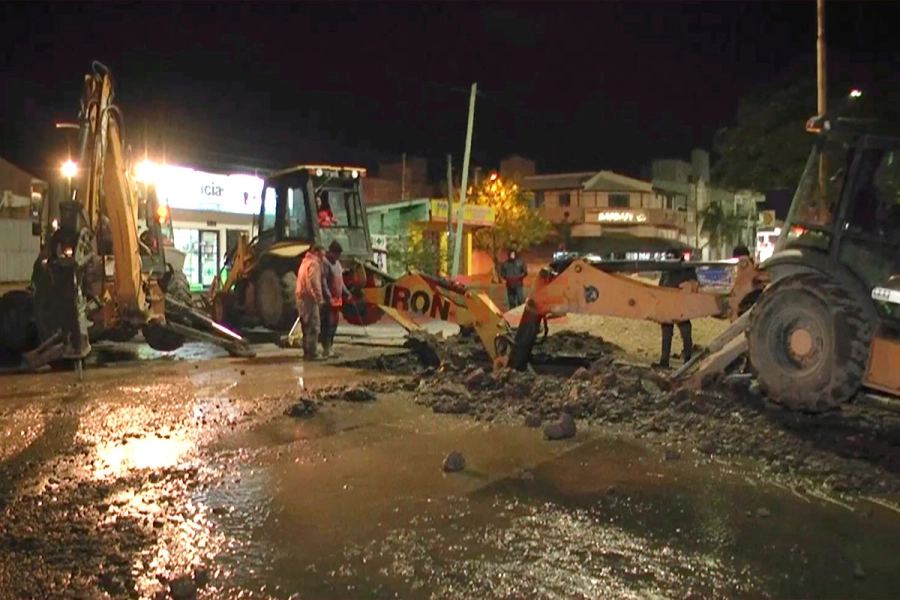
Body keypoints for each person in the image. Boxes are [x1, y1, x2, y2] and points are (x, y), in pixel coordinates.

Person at [654, 248, 698, 369]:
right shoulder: (667, 270)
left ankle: (688, 359)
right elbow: (661, 285)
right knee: (667, 333)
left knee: (685, 332)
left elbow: (694, 284)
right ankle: (664, 360)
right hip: (668, 303)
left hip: (681, 304)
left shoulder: (687, 268)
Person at [295, 244, 326, 360]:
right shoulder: (314, 263)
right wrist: (319, 299)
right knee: (314, 326)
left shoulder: (304, 262)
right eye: (322, 254)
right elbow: (314, 283)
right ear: (317, 252)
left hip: (301, 297)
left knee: (306, 325)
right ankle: (312, 353)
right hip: (310, 298)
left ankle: (307, 352)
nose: (323, 257)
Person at [319, 241, 348, 358]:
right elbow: (323, 282)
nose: (338, 257)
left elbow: (340, 281)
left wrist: (346, 292)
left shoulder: (338, 264)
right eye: (336, 254)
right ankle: (326, 347)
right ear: (331, 252)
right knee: (327, 324)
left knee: (334, 324)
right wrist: (328, 297)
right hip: (329, 301)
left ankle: (330, 346)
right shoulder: (325, 263)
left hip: (337, 299)